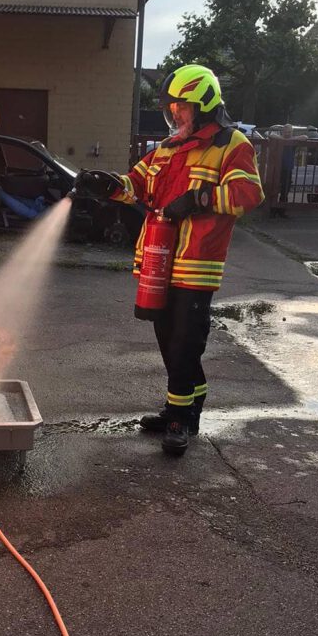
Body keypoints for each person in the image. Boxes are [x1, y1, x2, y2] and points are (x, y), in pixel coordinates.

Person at [75, 64, 264, 456]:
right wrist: (108, 184)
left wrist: (198, 199)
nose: (175, 115)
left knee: (184, 342)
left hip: (196, 264)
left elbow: (248, 194)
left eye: (182, 108)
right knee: (168, 341)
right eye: (172, 109)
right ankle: (187, 405)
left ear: (204, 105)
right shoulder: (167, 148)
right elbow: (136, 185)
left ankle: (179, 419)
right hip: (158, 261)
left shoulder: (232, 145)